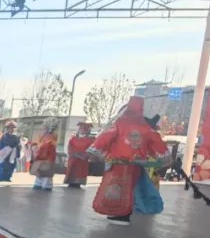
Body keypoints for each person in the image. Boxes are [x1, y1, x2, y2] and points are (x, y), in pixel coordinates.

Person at [88, 96, 169, 225]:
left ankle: (120, 214)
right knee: (130, 188)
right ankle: (123, 213)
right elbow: (156, 141)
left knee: (116, 187)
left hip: (119, 163)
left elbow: (106, 137)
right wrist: (165, 157)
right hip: (136, 165)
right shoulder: (145, 127)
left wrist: (97, 150)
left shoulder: (120, 123)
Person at [65, 122, 95, 189]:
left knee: (80, 171)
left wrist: (84, 155)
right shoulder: (73, 139)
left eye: (84, 129)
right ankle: (70, 182)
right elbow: (70, 147)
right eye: (81, 129)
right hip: (73, 159)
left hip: (82, 160)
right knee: (72, 170)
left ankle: (78, 183)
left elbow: (91, 149)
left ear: (87, 131)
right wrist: (75, 153)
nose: (82, 130)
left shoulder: (90, 140)